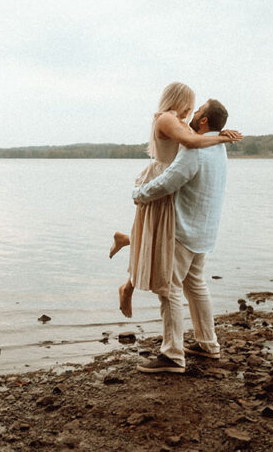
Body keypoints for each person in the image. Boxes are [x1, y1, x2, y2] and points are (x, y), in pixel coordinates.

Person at [110, 83, 241, 319]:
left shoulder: (179, 122)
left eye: (197, 108)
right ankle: (127, 279)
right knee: (154, 236)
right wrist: (220, 138)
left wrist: (218, 133)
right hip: (163, 178)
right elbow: (191, 143)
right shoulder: (166, 119)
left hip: (171, 181)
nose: (192, 110)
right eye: (191, 104)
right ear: (180, 100)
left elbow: (196, 137)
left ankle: (126, 251)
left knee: (155, 236)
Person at [131, 98, 232, 374]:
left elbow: (169, 181)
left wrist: (139, 193)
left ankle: (173, 354)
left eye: (198, 110)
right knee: (195, 285)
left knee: (169, 289)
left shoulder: (194, 148)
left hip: (184, 228)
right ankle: (208, 344)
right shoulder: (219, 146)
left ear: (202, 120)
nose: (193, 112)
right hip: (206, 229)